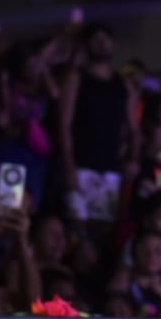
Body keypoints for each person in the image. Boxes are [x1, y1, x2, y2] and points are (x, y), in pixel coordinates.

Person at [59, 23, 138, 226]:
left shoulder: (123, 84)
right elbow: (64, 124)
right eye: (97, 40)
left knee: (101, 229)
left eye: (106, 39)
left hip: (109, 168)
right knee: (76, 226)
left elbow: (133, 128)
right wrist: (69, 166)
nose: (102, 44)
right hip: (80, 165)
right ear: (87, 45)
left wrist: (132, 158)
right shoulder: (76, 78)